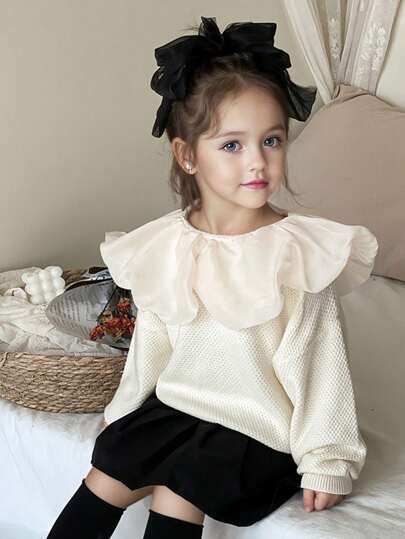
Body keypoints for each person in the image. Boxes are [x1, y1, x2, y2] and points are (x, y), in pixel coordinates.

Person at [46, 16, 379, 539]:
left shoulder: (295, 256)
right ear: (187, 155)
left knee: (179, 490)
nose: (258, 162)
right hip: (180, 407)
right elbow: (152, 343)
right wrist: (123, 410)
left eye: (272, 140)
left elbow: (321, 369)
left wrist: (328, 462)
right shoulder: (168, 243)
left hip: (256, 430)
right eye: (232, 145)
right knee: (107, 472)